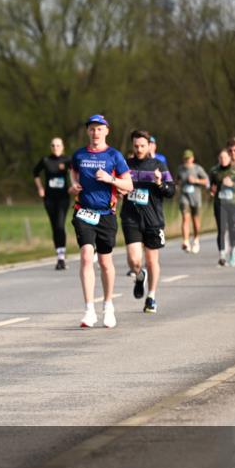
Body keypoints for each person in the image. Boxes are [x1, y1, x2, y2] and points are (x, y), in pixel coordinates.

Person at [68, 114, 133, 328]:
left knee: (105, 262)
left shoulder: (114, 156)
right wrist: (73, 186)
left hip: (106, 214)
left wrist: (110, 179)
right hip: (83, 212)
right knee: (87, 256)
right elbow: (73, 173)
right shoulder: (79, 155)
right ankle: (89, 310)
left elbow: (129, 185)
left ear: (106, 131)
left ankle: (108, 305)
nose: (95, 133)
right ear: (88, 131)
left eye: (99, 129)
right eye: (92, 129)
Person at [121, 130, 175, 313]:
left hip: (153, 220)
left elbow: (171, 191)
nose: (139, 149)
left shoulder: (158, 165)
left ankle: (151, 297)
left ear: (149, 146)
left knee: (152, 261)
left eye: (142, 146)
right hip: (131, 218)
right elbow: (117, 185)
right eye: (136, 146)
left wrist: (159, 183)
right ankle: (139, 275)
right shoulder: (125, 165)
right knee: (134, 260)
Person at [32, 137, 72, 269]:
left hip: (63, 197)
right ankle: (59, 256)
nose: (56, 148)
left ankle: (62, 257)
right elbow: (35, 173)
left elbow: (75, 173)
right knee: (54, 226)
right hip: (49, 198)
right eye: (53, 145)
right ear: (50, 147)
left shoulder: (68, 160)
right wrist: (40, 188)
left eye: (58, 145)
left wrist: (73, 186)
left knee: (60, 224)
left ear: (63, 147)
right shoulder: (46, 160)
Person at [209, 148, 235, 267]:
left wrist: (232, 184)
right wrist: (212, 190)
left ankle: (233, 251)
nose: (223, 159)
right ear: (218, 159)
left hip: (233, 203)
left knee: (233, 228)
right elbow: (211, 186)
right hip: (220, 203)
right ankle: (222, 255)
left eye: (225, 157)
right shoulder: (214, 171)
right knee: (221, 229)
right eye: (221, 158)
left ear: (229, 158)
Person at [175, 149, 210, 253]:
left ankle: (196, 240)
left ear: (192, 158)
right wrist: (177, 185)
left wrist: (196, 180)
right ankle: (186, 242)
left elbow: (206, 181)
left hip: (196, 197)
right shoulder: (180, 169)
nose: (187, 160)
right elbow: (176, 181)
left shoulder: (198, 168)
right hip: (184, 196)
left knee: (195, 220)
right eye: (185, 158)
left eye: (188, 158)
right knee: (185, 218)